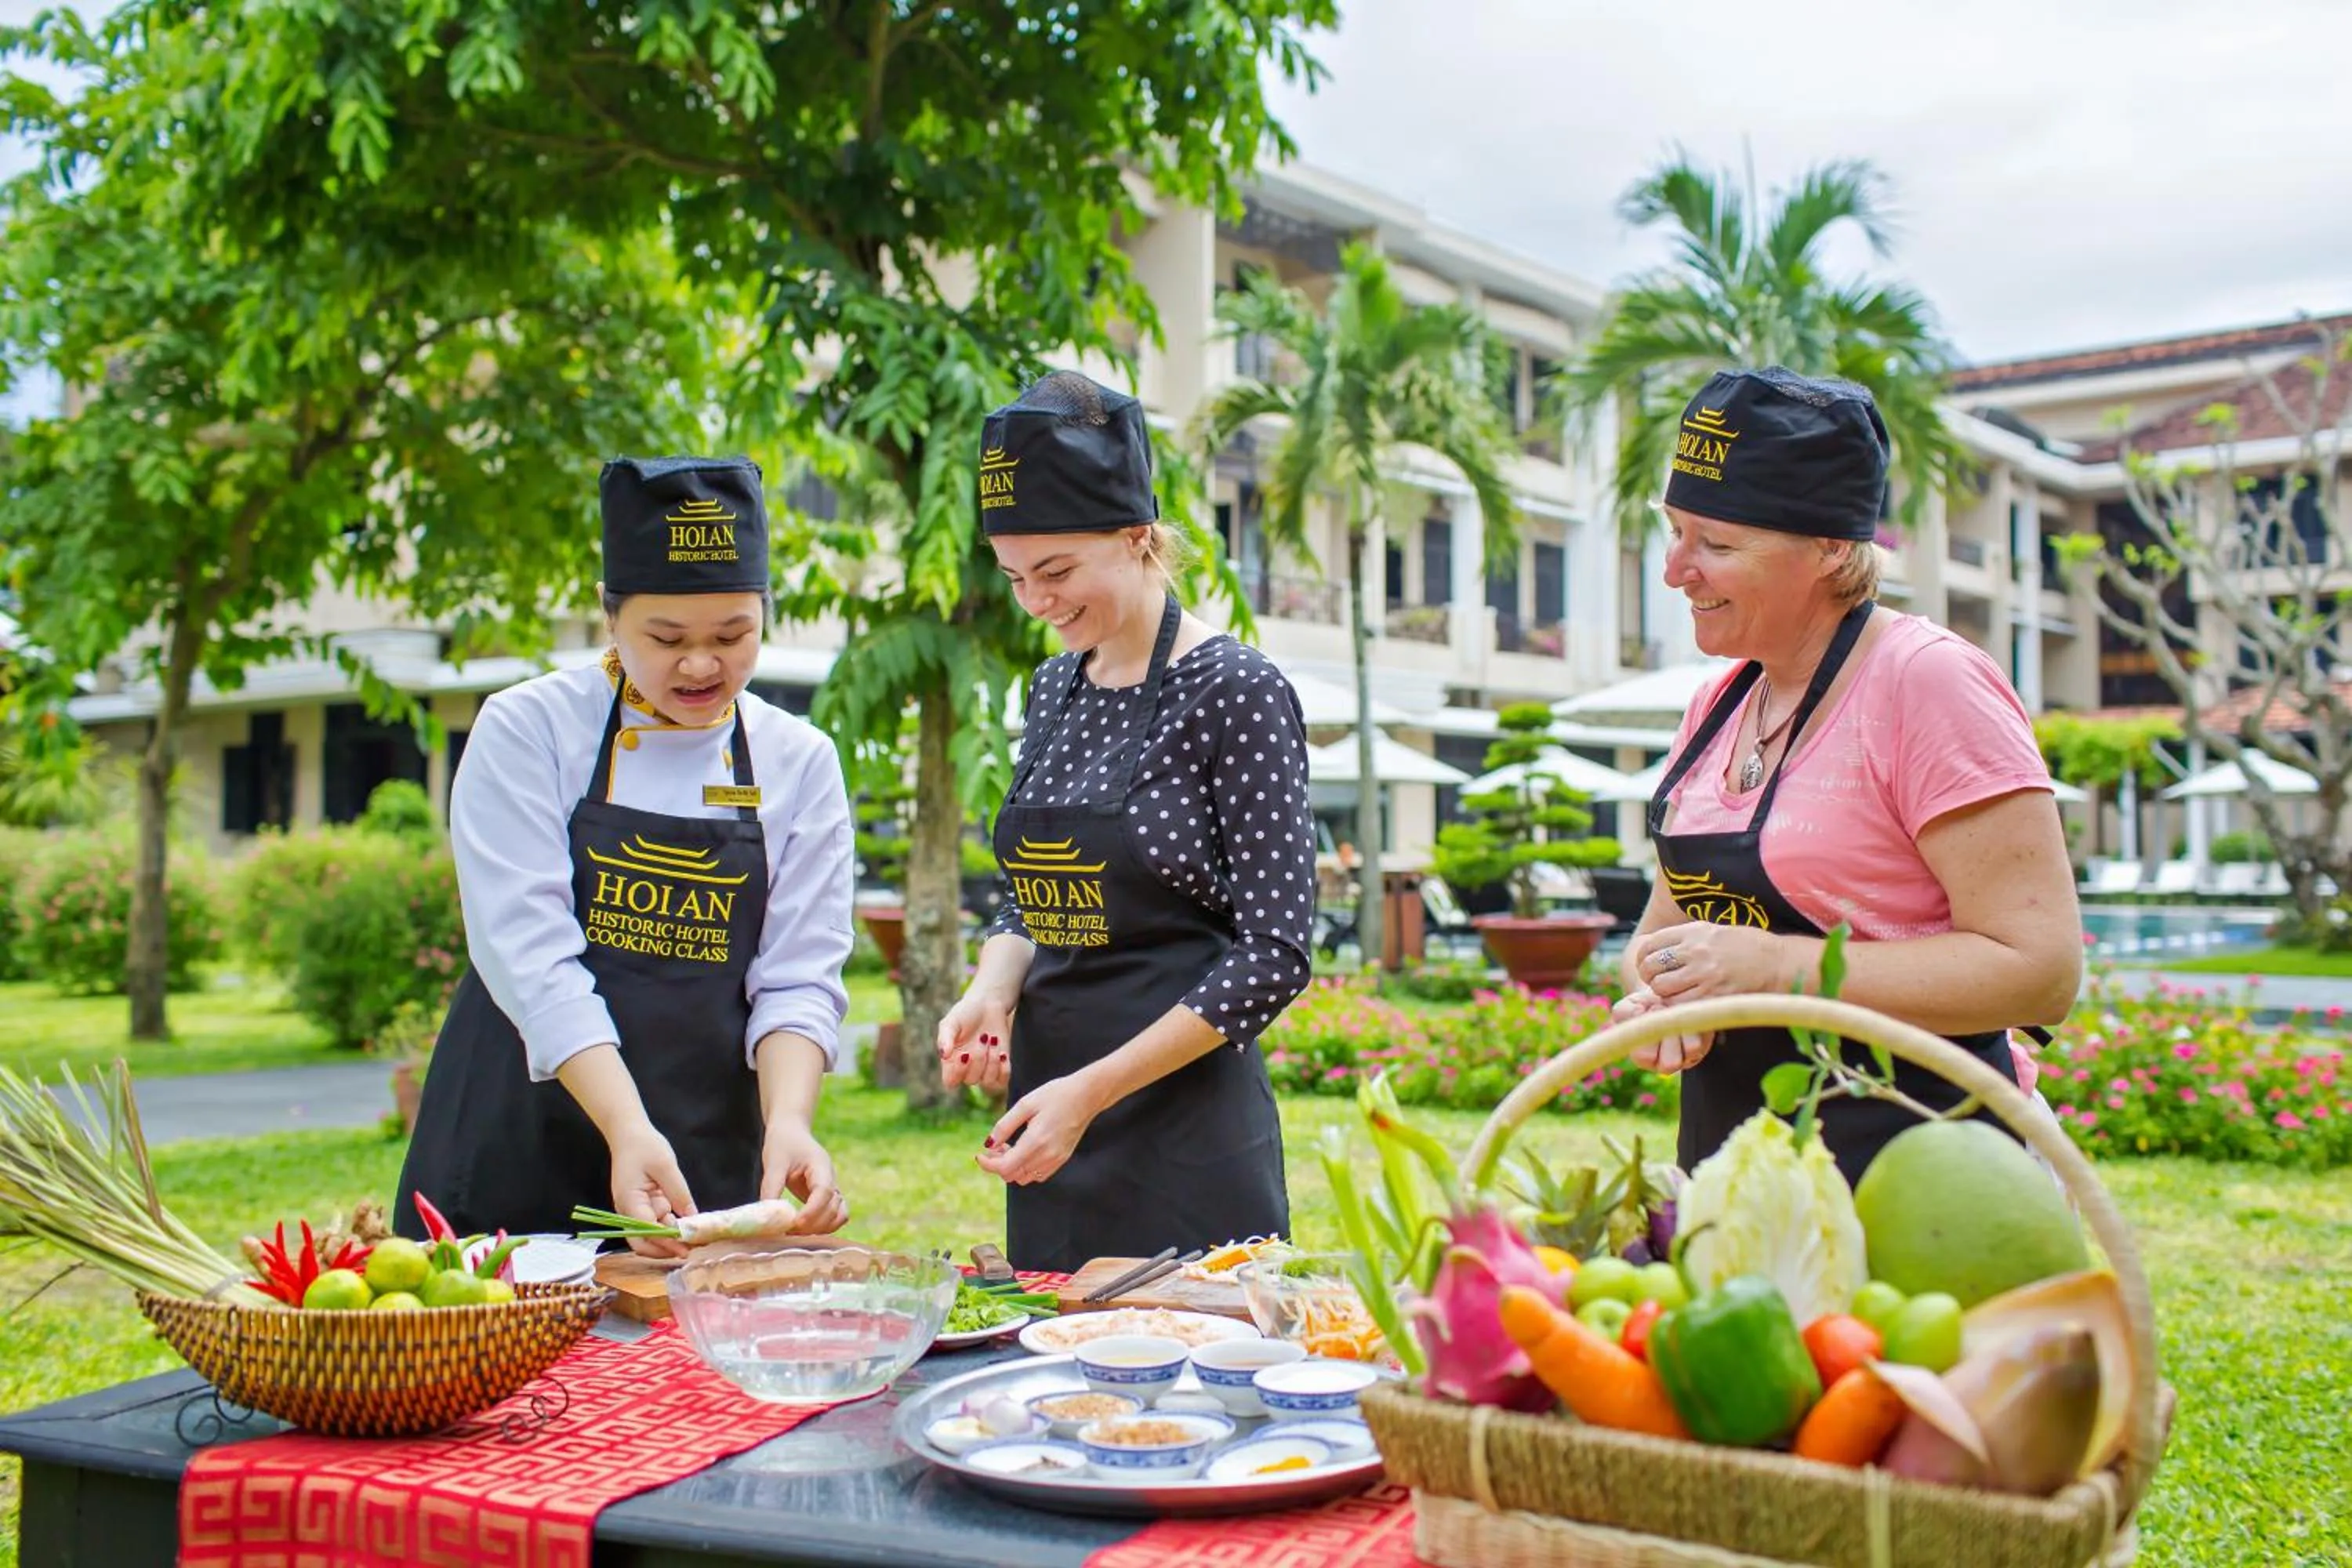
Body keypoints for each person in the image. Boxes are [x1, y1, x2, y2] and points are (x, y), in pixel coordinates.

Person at [1617, 368, 2082, 1183]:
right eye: (1676, 531)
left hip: (1930, 1179)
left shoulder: (1927, 683)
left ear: (1831, 547)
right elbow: (1665, 932)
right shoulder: (1717, 705)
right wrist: (1659, 997)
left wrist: (1770, 968)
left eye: (1717, 544)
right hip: (1740, 1181)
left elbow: (2041, 971)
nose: (1675, 570)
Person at [398, 456, 855, 1254]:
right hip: (520, 1137)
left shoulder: (799, 759)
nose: (703, 665)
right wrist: (624, 1125)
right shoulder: (529, 729)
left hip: (695, 1165)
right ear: (611, 616)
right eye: (667, 637)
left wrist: (789, 1120)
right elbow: (531, 955)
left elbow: (797, 974)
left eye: (733, 634)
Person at [937, 371, 1318, 1272]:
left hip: (1184, 1135)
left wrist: (1094, 1091)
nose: (1037, 601)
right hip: (1053, 1130)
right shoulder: (1053, 685)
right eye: (1016, 575)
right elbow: (1029, 895)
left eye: (1059, 571)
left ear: (1140, 537)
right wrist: (991, 989)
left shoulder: (1236, 689)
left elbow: (1277, 951)